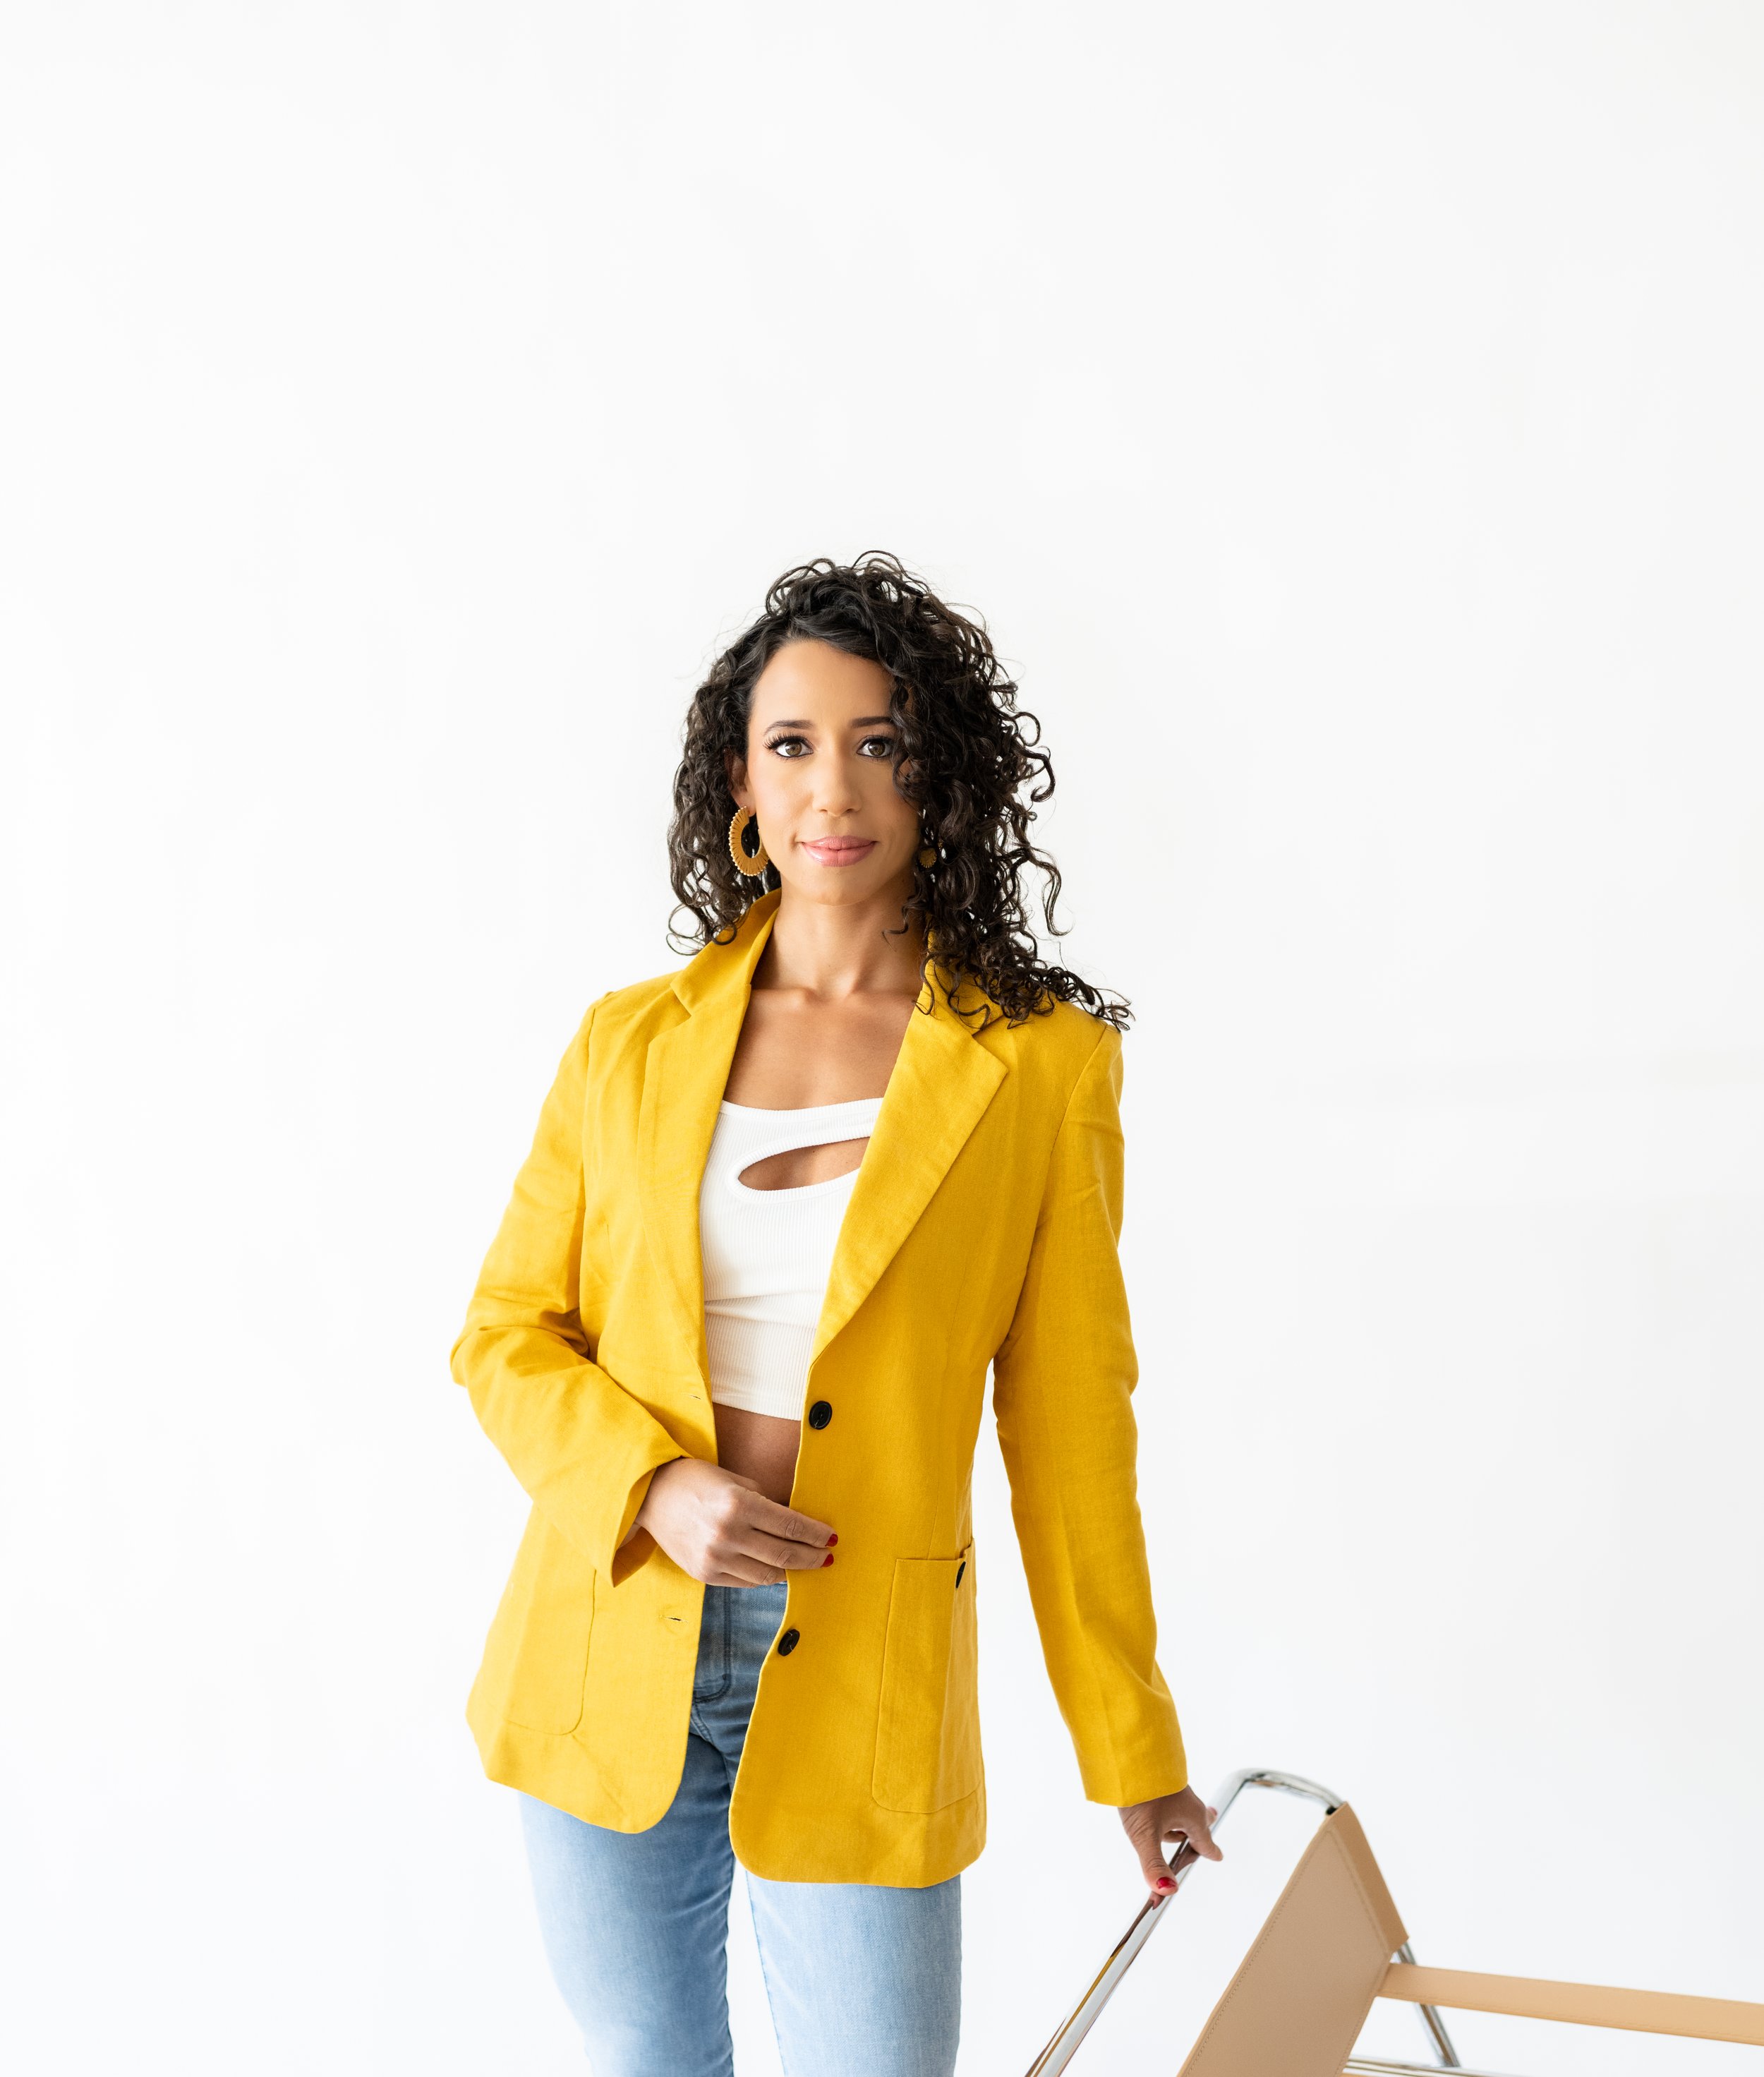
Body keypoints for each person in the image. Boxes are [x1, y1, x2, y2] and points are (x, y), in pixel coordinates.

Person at [449, 552, 1219, 2077]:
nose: (833, 784)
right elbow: (504, 1331)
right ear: (736, 779)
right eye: (791, 742)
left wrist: (1132, 1750)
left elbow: (1070, 1427)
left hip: (864, 1656)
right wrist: (652, 1485)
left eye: (879, 740)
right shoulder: (626, 1044)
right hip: (607, 1635)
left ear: (941, 779)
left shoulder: (1037, 1066)